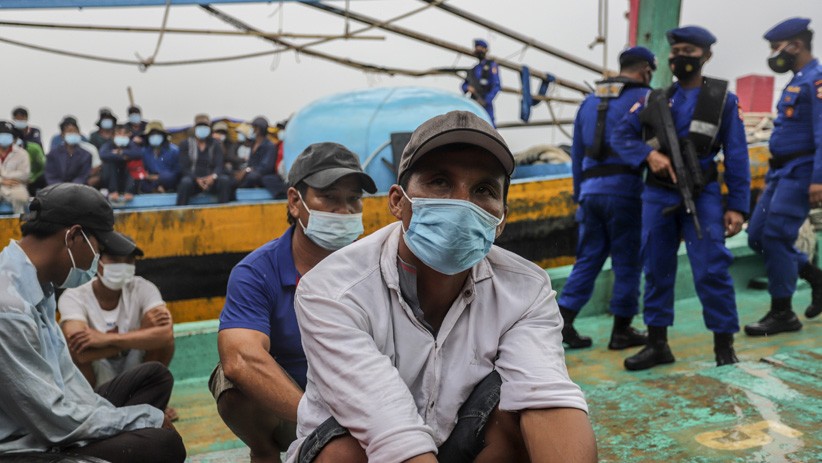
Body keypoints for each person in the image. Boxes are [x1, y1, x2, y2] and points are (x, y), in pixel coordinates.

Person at [285, 111, 596, 463]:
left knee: (518, 412)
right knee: (343, 453)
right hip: (373, 448)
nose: (462, 203)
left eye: (483, 190)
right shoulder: (332, 290)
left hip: (454, 439)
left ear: (501, 219)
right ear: (398, 202)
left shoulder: (525, 289)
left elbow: (549, 398)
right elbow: (390, 432)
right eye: (439, 182)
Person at [210, 142, 377, 463]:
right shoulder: (257, 272)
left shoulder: (378, 263)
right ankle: (264, 449)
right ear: (295, 201)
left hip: (365, 397)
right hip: (291, 406)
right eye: (328, 197)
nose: (343, 211)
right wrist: (318, 422)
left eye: (353, 199)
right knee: (232, 379)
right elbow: (240, 358)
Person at [0, 183, 185, 462]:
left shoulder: (41, 286)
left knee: (154, 379)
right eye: (99, 248)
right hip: (20, 445)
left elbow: (69, 383)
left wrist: (127, 420)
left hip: (48, 423)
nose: (97, 259)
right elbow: (50, 418)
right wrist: (141, 419)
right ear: (74, 236)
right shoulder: (8, 306)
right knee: (162, 444)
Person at [612, 26, 750, 370]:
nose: (680, 58)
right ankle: (658, 344)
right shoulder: (654, 98)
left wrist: (736, 206)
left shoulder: (722, 99)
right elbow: (621, 135)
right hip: (658, 195)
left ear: (706, 56)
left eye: (689, 51)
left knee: (711, 269)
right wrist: (649, 156)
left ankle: (724, 346)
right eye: (675, 52)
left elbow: (737, 154)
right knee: (657, 268)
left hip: (702, 193)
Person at [557, 46, 656, 350]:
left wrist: (579, 195)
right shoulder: (645, 98)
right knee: (628, 261)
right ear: (646, 70)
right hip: (625, 192)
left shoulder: (589, 102)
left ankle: (562, 324)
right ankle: (622, 330)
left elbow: (575, 155)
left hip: (590, 193)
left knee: (588, 259)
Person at [745, 18, 822, 334]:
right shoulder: (796, 80)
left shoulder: (815, 81)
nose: (774, 54)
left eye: (777, 48)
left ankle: (783, 313)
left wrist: (818, 178)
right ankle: (815, 278)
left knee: (776, 236)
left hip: (802, 173)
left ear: (796, 45)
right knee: (757, 236)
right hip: (780, 174)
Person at [59, 235, 175, 391]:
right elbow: (79, 353)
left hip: (134, 363)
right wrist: (143, 334)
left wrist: (105, 339)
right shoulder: (74, 295)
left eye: (129, 260)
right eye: (114, 259)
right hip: (97, 370)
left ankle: (145, 397)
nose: (122, 265)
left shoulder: (144, 288)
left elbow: (165, 336)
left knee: (165, 345)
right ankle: (90, 402)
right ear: (97, 262)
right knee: (71, 349)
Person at [177, 114, 231, 205]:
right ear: (195, 128)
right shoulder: (186, 144)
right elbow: (183, 167)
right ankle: (180, 213)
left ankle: (224, 212)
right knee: (185, 182)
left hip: (211, 181)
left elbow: (219, 164)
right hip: (194, 181)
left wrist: (213, 177)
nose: (203, 128)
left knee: (224, 180)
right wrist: (196, 179)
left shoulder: (215, 144)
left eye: (205, 126)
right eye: (200, 126)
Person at [234, 116, 287, 198]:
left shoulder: (269, 146)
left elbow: (266, 168)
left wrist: (247, 171)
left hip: (262, 175)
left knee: (252, 177)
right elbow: (250, 163)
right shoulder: (253, 144)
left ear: (258, 129)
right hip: (252, 173)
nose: (251, 130)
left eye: (253, 127)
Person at [462, 39, 501, 125]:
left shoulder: (491, 65)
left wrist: (486, 100)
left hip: (485, 102)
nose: (478, 50)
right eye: (477, 48)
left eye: (480, 48)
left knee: (489, 126)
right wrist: (467, 87)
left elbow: (497, 85)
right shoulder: (473, 69)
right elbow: (464, 85)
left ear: (485, 50)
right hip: (473, 103)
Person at [100, 124, 143, 202]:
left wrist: (121, 152)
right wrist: (123, 157)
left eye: (124, 133)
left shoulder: (131, 145)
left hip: (127, 179)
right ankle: (113, 191)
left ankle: (129, 192)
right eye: (119, 133)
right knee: (109, 163)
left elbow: (139, 153)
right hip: (112, 179)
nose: (122, 136)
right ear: (113, 135)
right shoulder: (109, 145)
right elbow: (103, 155)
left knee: (134, 163)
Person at [45, 117, 92, 186]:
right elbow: (50, 175)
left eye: (75, 131)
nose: (72, 133)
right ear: (63, 134)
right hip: (56, 189)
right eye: (69, 131)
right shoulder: (53, 154)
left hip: (78, 189)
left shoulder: (86, 155)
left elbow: (83, 176)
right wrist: (61, 187)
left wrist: (72, 186)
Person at [141, 120, 181, 193]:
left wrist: (159, 178)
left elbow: (177, 171)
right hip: (150, 181)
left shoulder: (174, 150)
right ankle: (155, 189)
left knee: (167, 177)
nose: (155, 137)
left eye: (157, 134)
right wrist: (149, 177)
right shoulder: (144, 151)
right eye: (152, 134)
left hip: (169, 181)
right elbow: (143, 169)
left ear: (163, 136)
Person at [0, 121, 30, 214]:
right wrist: (2, 181)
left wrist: (5, 176)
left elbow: (24, 174)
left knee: (21, 197)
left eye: (7, 135)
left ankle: (20, 224)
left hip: (15, 185)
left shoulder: (22, 153)